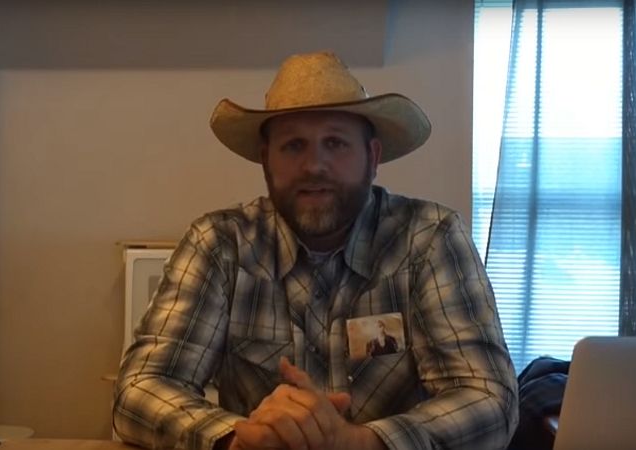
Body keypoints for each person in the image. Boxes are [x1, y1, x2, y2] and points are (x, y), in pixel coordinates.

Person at [113, 51, 518, 450]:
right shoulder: (219, 244)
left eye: (335, 143)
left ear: (372, 157)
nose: (314, 165)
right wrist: (237, 437)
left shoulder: (429, 238)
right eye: (294, 146)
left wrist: (358, 442)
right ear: (265, 160)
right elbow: (140, 389)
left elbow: (489, 398)